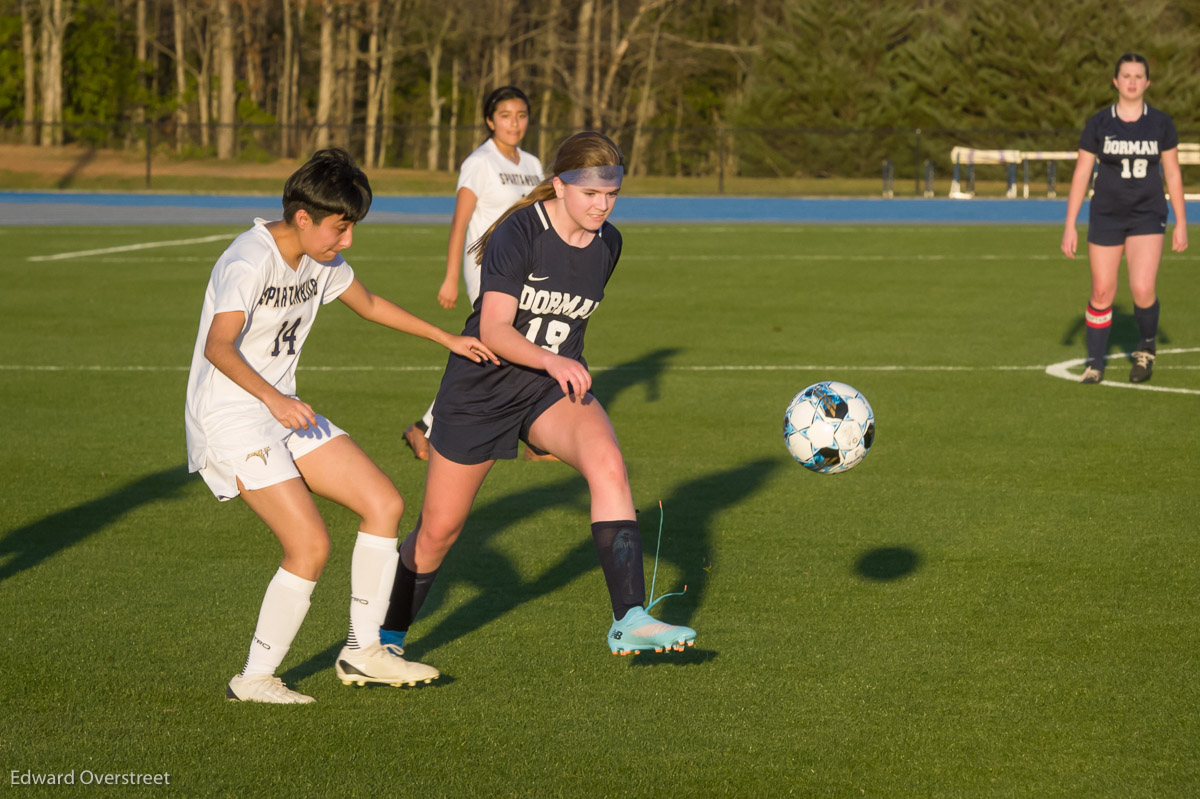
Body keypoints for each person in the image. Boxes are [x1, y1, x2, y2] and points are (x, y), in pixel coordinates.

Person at [184, 148, 498, 704]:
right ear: (303, 217)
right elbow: (218, 346)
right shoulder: (247, 260)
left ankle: (363, 650)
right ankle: (253, 679)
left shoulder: (319, 258)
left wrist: (447, 338)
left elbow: (370, 303)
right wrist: (275, 399)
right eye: (340, 228)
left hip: (281, 409)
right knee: (309, 545)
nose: (346, 241)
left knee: (383, 503)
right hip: (232, 418)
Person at [380, 131, 697, 661]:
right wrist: (553, 359)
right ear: (559, 184)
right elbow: (496, 329)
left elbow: (566, 322)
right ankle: (384, 638)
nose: (602, 205)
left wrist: (560, 367)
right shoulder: (519, 232)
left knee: (608, 464)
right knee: (438, 531)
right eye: (590, 194)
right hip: (480, 388)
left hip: (546, 392)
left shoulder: (608, 244)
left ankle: (630, 618)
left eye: (612, 194)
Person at [402, 86, 552, 461]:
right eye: (505, 115)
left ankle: (423, 427)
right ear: (489, 120)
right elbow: (461, 222)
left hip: (524, 268)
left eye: (520, 115)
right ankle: (528, 435)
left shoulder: (532, 164)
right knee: (496, 344)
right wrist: (451, 276)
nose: (514, 123)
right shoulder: (479, 162)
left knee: (517, 344)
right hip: (486, 267)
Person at [1061, 52, 1188, 384]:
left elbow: (1173, 175)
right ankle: (1095, 362)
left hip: (1147, 214)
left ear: (1147, 82)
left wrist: (1181, 222)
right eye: (1126, 76)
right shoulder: (1099, 123)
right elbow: (1081, 173)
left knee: (1142, 288)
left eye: (1138, 76)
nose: (1132, 81)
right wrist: (1069, 224)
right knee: (1102, 291)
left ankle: (1145, 348)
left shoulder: (1161, 123)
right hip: (1106, 215)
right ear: (1115, 81)